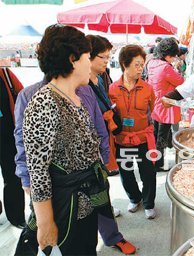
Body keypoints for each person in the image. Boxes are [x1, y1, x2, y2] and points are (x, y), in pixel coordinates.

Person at [22, 24, 107, 255]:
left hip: (84, 205)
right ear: (73, 59)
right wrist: (45, 224)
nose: (90, 63)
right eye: (88, 57)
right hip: (63, 210)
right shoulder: (44, 103)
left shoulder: (76, 96)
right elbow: (38, 172)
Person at [109, 45, 157, 219]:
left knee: (148, 173)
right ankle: (134, 198)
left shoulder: (148, 89)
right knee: (126, 173)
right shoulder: (112, 89)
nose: (140, 68)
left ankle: (149, 203)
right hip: (122, 140)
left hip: (143, 138)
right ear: (124, 64)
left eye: (142, 64)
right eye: (136, 64)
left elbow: (152, 111)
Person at [147, 38, 184, 172]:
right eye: (173, 56)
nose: (173, 58)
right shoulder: (166, 68)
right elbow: (181, 82)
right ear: (168, 55)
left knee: (156, 135)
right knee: (161, 137)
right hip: (165, 107)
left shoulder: (152, 63)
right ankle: (159, 163)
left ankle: (155, 160)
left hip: (155, 105)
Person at [86, 35, 121, 176]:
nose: (107, 61)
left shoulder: (99, 79)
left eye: (108, 57)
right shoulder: (81, 85)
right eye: (103, 57)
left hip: (105, 136)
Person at [0, 67, 25, 229]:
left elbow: (23, 96)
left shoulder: (6, 74)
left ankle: (16, 217)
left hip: (8, 136)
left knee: (13, 177)